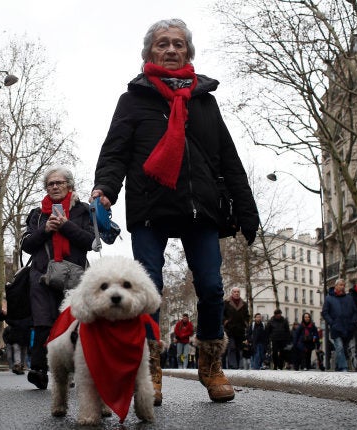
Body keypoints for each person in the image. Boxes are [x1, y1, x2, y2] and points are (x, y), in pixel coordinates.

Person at [90, 18, 259, 404]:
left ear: (188, 52)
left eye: (178, 44)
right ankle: (150, 372)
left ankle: (212, 367)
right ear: (150, 52)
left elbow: (228, 159)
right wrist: (105, 190)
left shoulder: (205, 101)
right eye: (162, 44)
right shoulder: (132, 100)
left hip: (201, 207)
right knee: (149, 291)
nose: (170, 50)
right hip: (151, 205)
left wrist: (247, 210)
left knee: (213, 289)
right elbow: (115, 152)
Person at [21, 165, 95, 389]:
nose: (54, 187)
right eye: (50, 184)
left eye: (59, 183)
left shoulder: (84, 210)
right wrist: (45, 229)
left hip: (74, 275)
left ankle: (70, 369)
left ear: (69, 185)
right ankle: (39, 369)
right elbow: (26, 244)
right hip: (42, 274)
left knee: (72, 324)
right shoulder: (37, 214)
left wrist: (65, 226)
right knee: (42, 321)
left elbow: (90, 241)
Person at [322, 278, 357, 372]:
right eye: (341, 285)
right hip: (336, 328)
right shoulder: (329, 298)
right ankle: (344, 368)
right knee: (340, 347)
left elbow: (355, 311)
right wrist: (332, 323)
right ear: (336, 286)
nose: (342, 287)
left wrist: (353, 321)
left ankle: (338, 366)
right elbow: (325, 312)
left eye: (344, 285)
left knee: (343, 348)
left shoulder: (349, 298)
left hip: (347, 327)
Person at [223, 287, 249, 369]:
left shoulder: (244, 304)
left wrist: (246, 323)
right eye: (235, 292)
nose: (236, 293)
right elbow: (222, 314)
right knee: (232, 347)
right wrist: (225, 322)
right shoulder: (226, 303)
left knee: (239, 348)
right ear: (232, 293)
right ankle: (232, 365)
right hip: (230, 329)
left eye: (238, 292)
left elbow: (247, 316)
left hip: (240, 330)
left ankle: (238, 365)